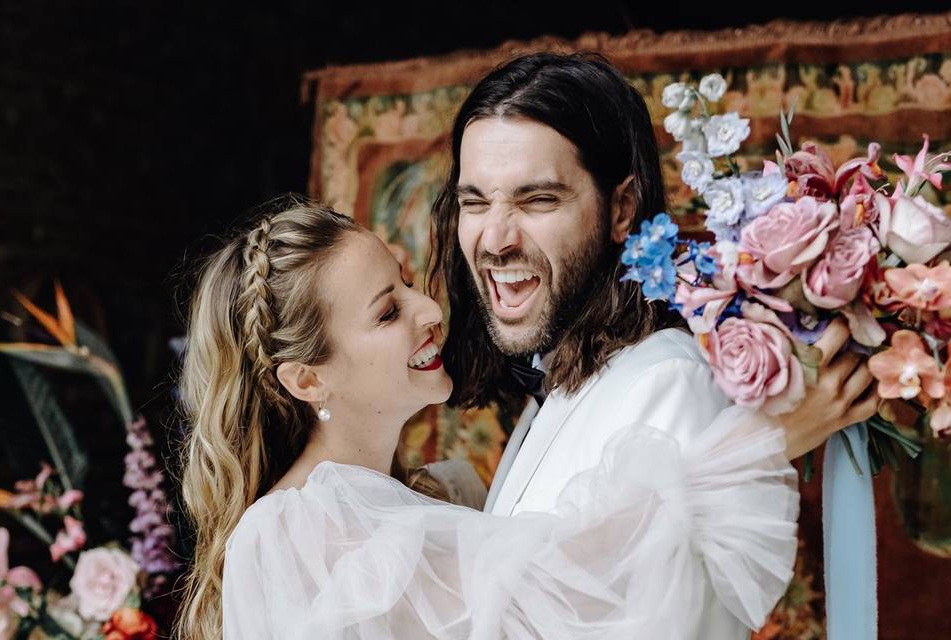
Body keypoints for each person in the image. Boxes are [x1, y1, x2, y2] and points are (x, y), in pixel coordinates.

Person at [174, 197, 833, 639]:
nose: (427, 309)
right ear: (307, 378)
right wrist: (757, 445)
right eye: (386, 312)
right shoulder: (293, 531)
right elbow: (574, 573)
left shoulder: (437, 495)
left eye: (406, 281)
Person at [428, 52, 878, 638]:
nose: (495, 238)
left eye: (537, 200)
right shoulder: (561, 379)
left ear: (622, 208)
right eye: (475, 201)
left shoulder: (665, 382)